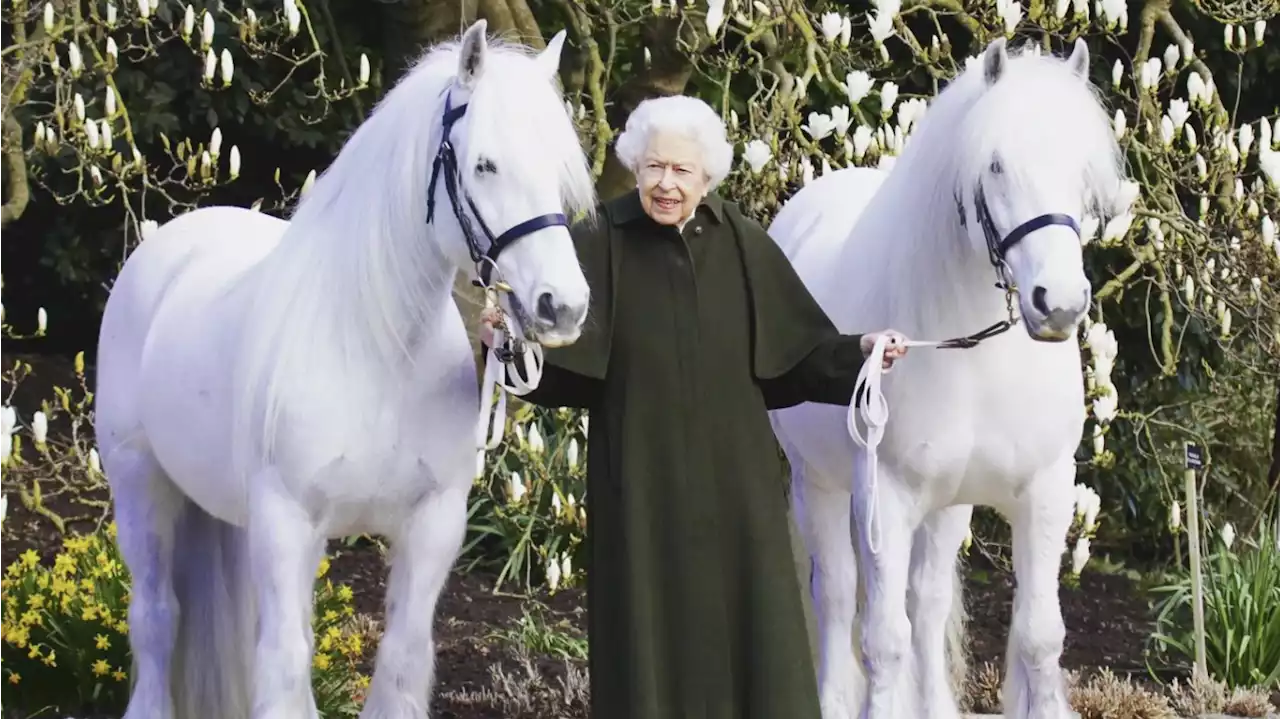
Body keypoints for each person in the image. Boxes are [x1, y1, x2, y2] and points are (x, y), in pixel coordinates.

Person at [479, 94, 908, 719]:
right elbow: (559, 366)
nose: (665, 183)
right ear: (634, 166)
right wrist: (505, 343)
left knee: (753, 633)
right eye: (653, 167)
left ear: (707, 176)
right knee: (646, 635)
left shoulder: (740, 241)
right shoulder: (599, 238)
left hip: (738, 491)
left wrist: (862, 352)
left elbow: (799, 353)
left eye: (681, 171)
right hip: (639, 486)